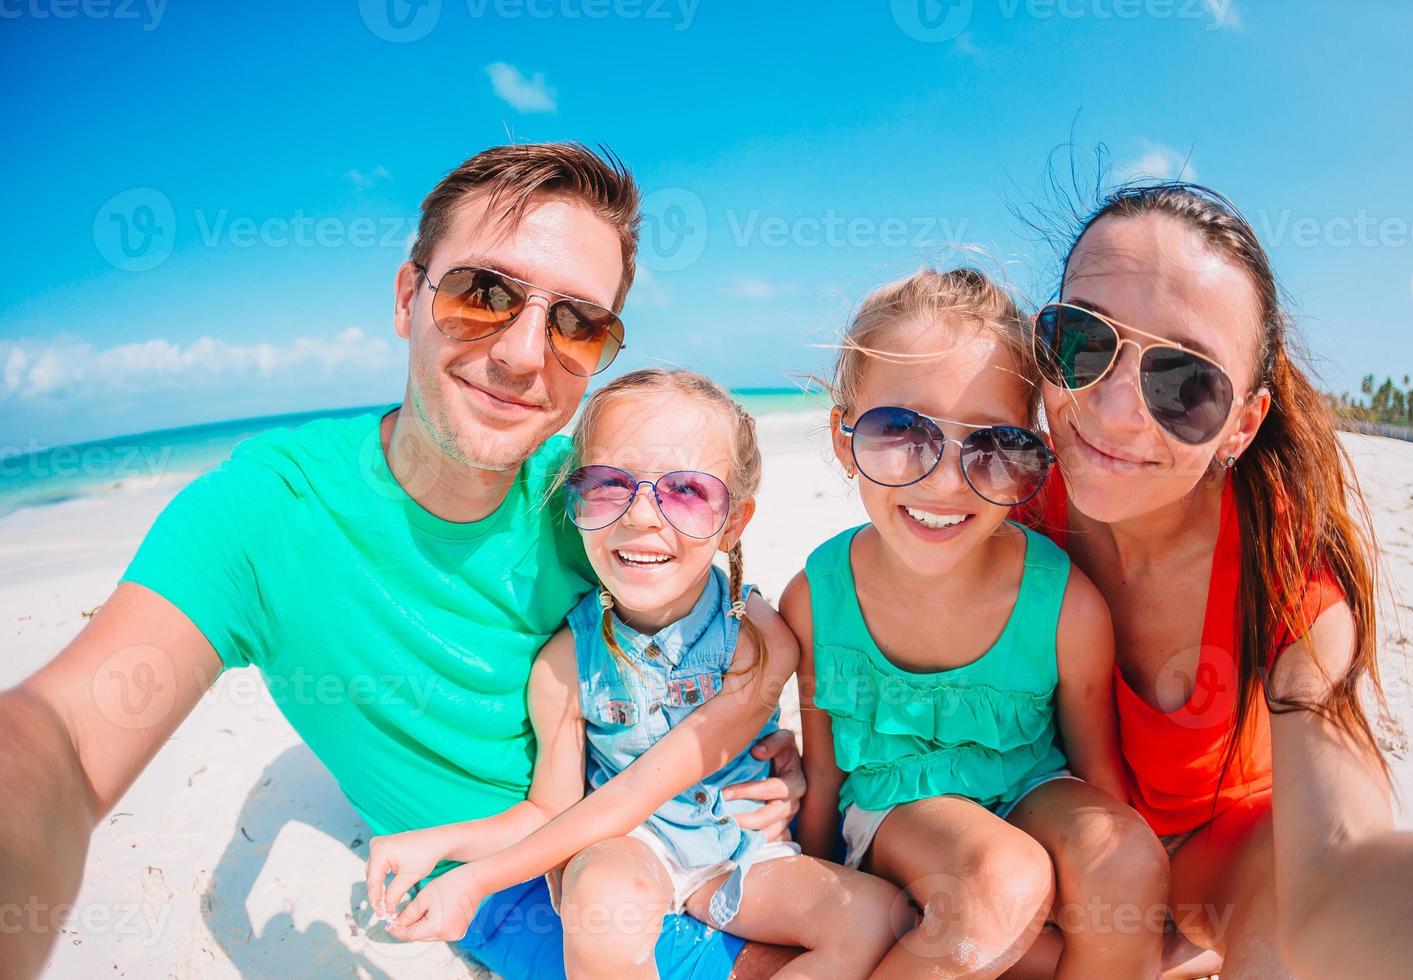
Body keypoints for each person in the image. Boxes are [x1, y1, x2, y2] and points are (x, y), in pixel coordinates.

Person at [0, 143, 804, 980]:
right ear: (406, 297)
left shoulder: (597, 498)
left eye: (575, 322)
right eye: (484, 294)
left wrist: (751, 743)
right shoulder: (267, 516)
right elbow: (60, 741)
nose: (526, 353)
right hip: (525, 893)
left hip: (691, 831)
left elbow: (715, 627)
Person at [1018, 181, 1413, 978]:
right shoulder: (1007, 503)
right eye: (1081, 341)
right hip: (1066, 856)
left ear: (1244, 424)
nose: (1116, 408)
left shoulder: (1287, 568)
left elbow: (1336, 869)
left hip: (1219, 866)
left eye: (1184, 385)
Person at [365, 368, 905, 977]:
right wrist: (442, 843)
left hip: (741, 851)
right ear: (575, 502)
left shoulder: (759, 641)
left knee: (876, 918)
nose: (642, 515)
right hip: (635, 851)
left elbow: (644, 785)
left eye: (687, 491)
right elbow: (550, 811)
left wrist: (476, 881)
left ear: (732, 521)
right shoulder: (564, 665)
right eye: (608, 484)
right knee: (600, 893)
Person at [784, 267, 1169, 978]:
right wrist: (815, 892)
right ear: (845, 441)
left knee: (1127, 863)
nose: (945, 479)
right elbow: (824, 775)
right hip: (896, 809)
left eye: (994, 445)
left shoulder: (1066, 609)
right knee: (1003, 878)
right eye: (901, 429)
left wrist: (1097, 890)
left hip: (1031, 788)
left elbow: (1097, 775)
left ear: (1033, 460)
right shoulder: (817, 598)